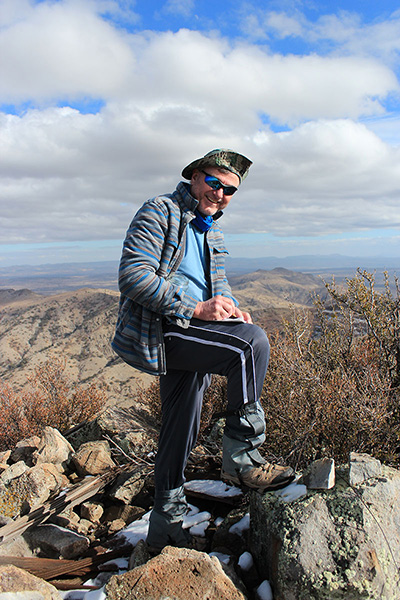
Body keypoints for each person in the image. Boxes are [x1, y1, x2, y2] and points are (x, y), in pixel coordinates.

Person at [112, 149, 294, 551]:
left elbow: (218, 285)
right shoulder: (160, 211)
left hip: (195, 328)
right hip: (163, 328)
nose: (220, 193)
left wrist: (228, 308)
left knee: (182, 425)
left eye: (230, 190)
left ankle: (166, 525)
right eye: (214, 183)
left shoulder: (212, 230)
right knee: (253, 345)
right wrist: (195, 307)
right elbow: (132, 275)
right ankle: (243, 458)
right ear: (195, 177)